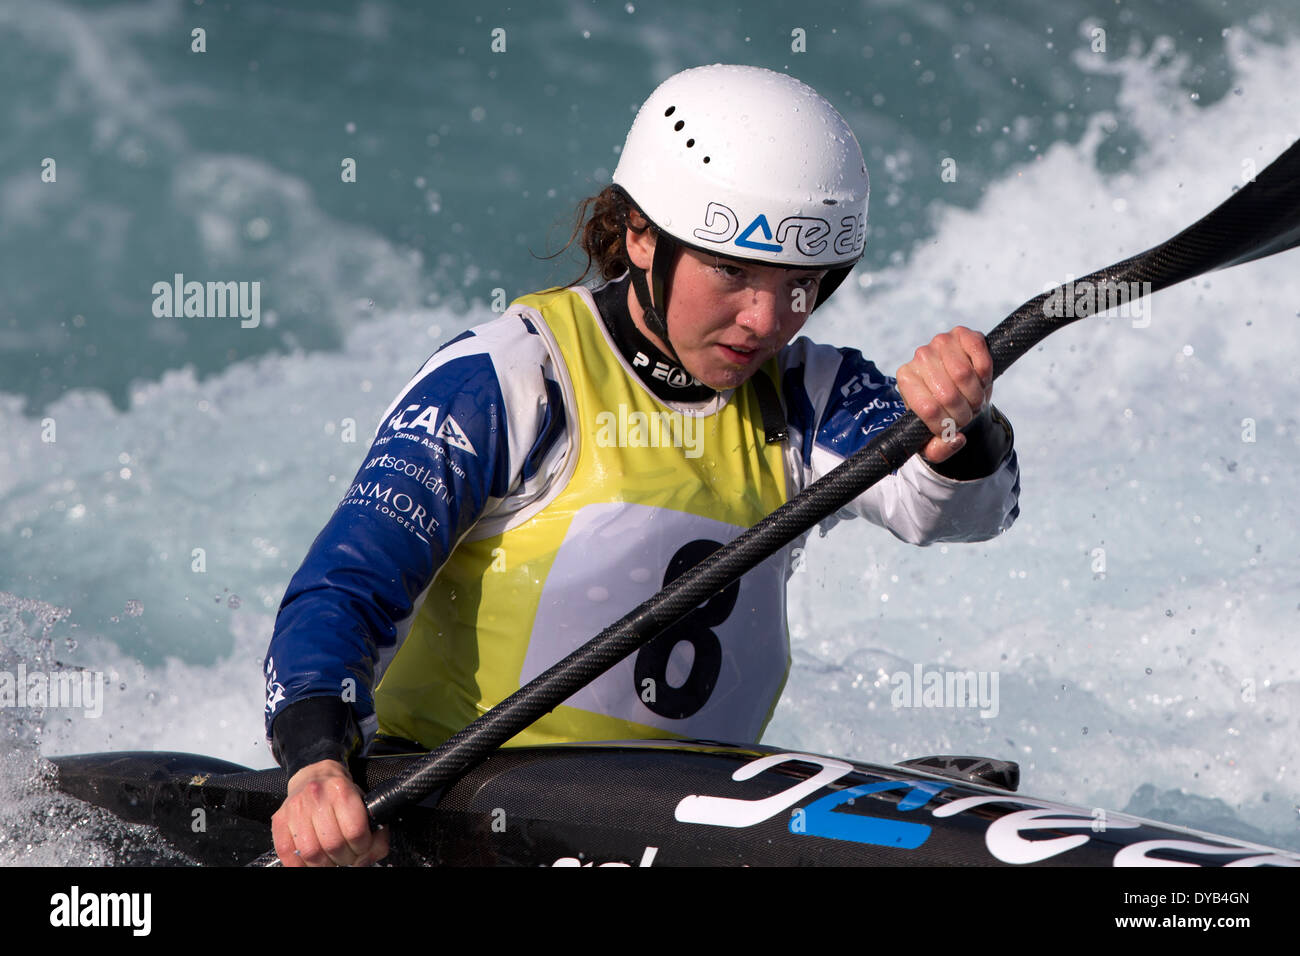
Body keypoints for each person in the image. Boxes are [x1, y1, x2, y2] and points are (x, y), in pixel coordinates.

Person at [262, 64, 1020, 866]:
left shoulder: (809, 393)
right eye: (732, 271)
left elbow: (964, 512)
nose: (766, 319)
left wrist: (962, 425)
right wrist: (316, 766)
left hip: (682, 834)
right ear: (640, 235)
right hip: (451, 819)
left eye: (802, 285)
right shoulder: (513, 380)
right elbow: (344, 589)